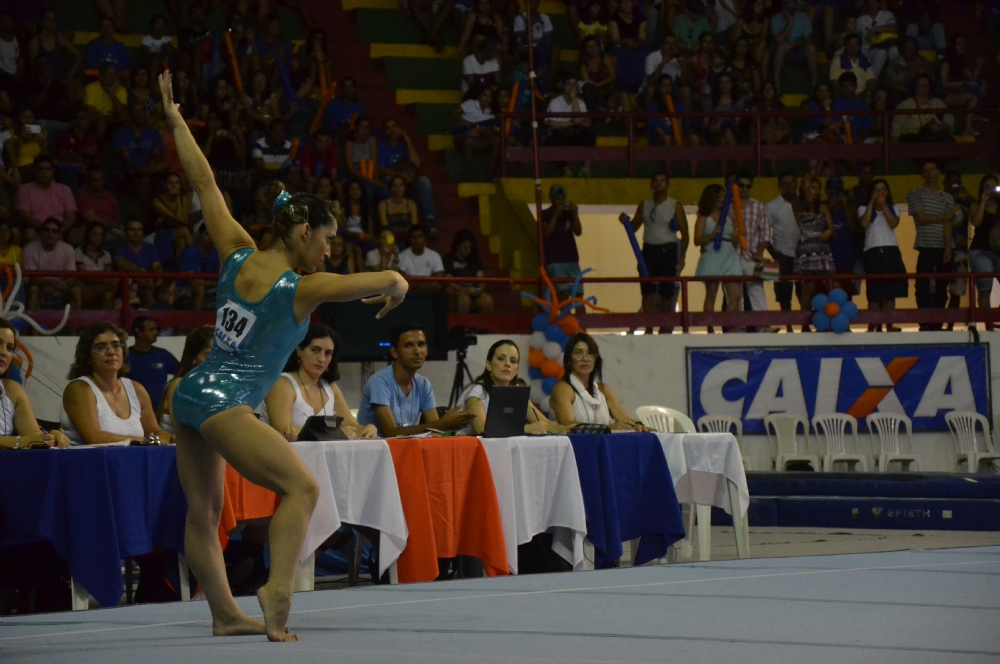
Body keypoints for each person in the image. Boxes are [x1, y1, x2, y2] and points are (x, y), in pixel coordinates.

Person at [160, 70, 408, 642]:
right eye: (326, 238)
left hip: (191, 392)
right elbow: (386, 275)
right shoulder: (300, 287)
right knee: (302, 489)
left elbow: (203, 183)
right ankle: (277, 587)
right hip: (227, 405)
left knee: (203, 513)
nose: (329, 250)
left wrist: (175, 120)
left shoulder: (235, 251)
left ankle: (225, 614)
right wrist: (395, 284)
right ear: (300, 231)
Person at [60, 322, 172, 445]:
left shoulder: (136, 389)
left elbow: (155, 432)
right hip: (90, 462)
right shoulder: (79, 388)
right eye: (100, 347)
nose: (111, 352)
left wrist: (172, 439)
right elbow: (94, 438)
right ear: (87, 357)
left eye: (116, 345)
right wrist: (147, 441)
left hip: (133, 461)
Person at [357, 322, 474, 437]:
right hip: (375, 451)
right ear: (394, 352)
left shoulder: (424, 384)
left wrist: (451, 425)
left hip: (405, 450)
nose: (417, 351)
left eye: (421, 344)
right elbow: (391, 432)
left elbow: (436, 430)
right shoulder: (379, 381)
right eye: (408, 345)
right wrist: (442, 424)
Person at [262, 324, 376, 441]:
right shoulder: (282, 384)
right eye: (315, 350)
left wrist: (367, 428)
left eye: (328, 353)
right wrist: (335, 433)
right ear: (299, 351)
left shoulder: (331, 387)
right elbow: (283, 431)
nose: (321, 359)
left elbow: (352, 427)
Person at [622, 172, 687, 331]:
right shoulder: (644, 204)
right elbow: (634, 227)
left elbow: (685, 234)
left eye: (662, 181)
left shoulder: (675, 205)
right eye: (656, 181)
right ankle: (649, 329)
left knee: (666, 293)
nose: (659, 184)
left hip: (668, 251)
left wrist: (682, 257)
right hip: (648, 251)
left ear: (668, 184)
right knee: (647, 292)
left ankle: (664, 329)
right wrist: (625, 220)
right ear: (651, 185)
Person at [458, 339, 563, 436]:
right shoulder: (477, 390)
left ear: (517, 369)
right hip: (467, 450)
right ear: (489, 364)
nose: (507, 364)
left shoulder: (516, 391)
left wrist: (571, 429)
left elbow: (546, 424)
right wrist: (526, 428)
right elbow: (482, 429)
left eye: (513, 361)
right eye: (501, 358)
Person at [550, 332, 644, 431]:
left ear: (596, 361)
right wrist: (608, 428)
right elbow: (567, 425)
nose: (585, 358)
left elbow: (626, 420)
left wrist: (637, 425)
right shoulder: (563, 389)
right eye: (578, 353)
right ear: (569, 360)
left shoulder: (604, 390)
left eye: (590, 353)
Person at [0, 317, 70, 449]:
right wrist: (21, 442)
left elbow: (33, 436)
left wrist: (49, 436)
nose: (3, 352)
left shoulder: (13, 390)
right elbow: (27, 440)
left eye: (10, 348)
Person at [907, 160, 954, 330]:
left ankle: (937, 322)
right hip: (925, 245)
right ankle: (924, 322)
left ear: (939, 172)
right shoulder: (915, 193)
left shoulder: (947, 197)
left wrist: (948, 247)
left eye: (933, 169)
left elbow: (948, 224)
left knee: (942, 286)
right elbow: (922, 218)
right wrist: (945, 216)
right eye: (926, 170)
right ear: (922, 174)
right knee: (922, 286)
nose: (930, 173)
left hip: (944, 247)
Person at [859, 178, 907, 332]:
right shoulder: (863, 208)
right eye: (877, 189)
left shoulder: (893, 207)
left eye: (883, 189)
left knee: (890, 292)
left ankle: (889, 325)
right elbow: (864, 223)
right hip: (872, 251)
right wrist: (872, 204)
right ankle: (873, 326)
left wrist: (883, 205)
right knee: (874, 292)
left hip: (890, 250)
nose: (880, 192)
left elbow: (893, 223)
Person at [694, 183, 742, 327]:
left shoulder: (729, 216)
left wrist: (738, 237)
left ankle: (726, 325)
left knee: (735, 296)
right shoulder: (704, 217)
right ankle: (710, 329)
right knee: (711, 295)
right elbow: (697, 240)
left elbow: (734, 238)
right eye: (719, 196)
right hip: (712, 254)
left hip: (728, 255)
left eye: (723, 196)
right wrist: (712, 236)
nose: (722, 198)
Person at [734, 172, 776, 331]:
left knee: (757, 289)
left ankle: (763, 325)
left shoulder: (759, 206)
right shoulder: (726, 206)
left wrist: (759, 253)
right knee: (734, 295)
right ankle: (738, 328)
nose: (744, 189)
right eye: (741, 185)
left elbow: (766, 233)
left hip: (752, 257)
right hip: (730, 258)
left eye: (748, 186)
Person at [378, 119, 436, 232]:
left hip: (407, 180)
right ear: (384, 132)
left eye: (394, 126)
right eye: (387, 128)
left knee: (424, 181)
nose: (391, 130)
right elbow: (380, 169)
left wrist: (406, 139)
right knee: (392, 181)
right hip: (392, 178)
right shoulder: (382, 145)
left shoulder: (403, 143)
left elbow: (417, 163)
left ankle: (429, 222)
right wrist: (400, 175)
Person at [793, 176, 836, 325]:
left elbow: (831, 227)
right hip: (807, 249)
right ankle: (805, 325)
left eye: (818, 188)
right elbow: (798, 211)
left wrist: (829, 231)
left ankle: (832, 319)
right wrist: (804, 187)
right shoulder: (798, 205)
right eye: (812, 187)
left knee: (832, 283)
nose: (815, 191)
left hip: (822, 248)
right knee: (809, 286)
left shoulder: (823, 207)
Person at [158, 325, 213, 433]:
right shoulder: (179, 386)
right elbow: (188, 432)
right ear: (194, 358)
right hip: (174, 448)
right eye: (208, 355)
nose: (215, 362)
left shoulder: (216, 386)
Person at [766, 172, 801, 325]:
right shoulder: (770, 206)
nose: (788, 186)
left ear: (796, 184)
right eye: (785, 183)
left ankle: (805, 326)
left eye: (791, 182)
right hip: (780, 255)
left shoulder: (805, 201)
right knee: (782, 294)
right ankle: (788, 328)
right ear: (779, 186)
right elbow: (764, 234)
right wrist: (774, 254)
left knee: (805, 293)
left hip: (804, 254)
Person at [14, 156, 76, 242]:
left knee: (81, 233)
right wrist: (46, 230)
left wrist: (58, 231)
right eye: (41, 169)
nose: (44, 172)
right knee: (29, 234)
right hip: (36, 229)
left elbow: (71, 216)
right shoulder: (24, 189)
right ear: (34, 171)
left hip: (61, 229)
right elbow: (24, 216)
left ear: (53, 171)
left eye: (48, 169)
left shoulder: (64, 189)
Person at [23, 218, 80, 311]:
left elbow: (71, 277)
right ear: (41, 232)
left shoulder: (68, 249)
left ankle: (75, 324)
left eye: (54, 231)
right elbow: (31, 279)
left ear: (59, 235)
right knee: (33, 289)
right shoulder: (29, 249)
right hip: (40, 290)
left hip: (61, 289)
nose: (50, 233)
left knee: (75, 291)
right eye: (47, 230)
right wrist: (53, 283)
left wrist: (62, 285)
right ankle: (32, 324)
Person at [127, 317, 179, 413]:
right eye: (151, 329)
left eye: (156, 329)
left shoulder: (163, 355)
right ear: (139, 333)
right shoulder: (125, 357)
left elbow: (181, 373)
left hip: (159, 412)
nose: (156, 333)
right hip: (132, 411)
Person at [545, 76, 595, 177]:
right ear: (563, 86)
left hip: (575, 134)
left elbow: (580, 121)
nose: (571, 87)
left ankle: (586, 168)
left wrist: (573, 99)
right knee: (550, 141)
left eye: (574, 85)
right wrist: (572, 123)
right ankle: (566, 170)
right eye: (569, 84)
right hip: (560, 134)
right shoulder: (555, 102)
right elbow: (553, 124)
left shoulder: (580, 103)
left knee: (589, 134)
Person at [542, 184, 583, 304]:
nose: (560, 201)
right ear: (551, 198)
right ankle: (566, 322)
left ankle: (581, 322)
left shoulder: (569, 213)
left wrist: (575, 214)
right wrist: (556, 214)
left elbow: (578, 231)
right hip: (555, 261)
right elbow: (546, 234)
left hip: (572, 260)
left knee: (579, 296)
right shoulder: (545, 214)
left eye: (562, 198)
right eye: (557, 198)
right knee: (563, 295)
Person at [968, 174, 1000, 328]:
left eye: (994, 186)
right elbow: (976, 222)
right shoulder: (975, 205)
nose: (991, 190)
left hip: (998, 250)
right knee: (985, 288)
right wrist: (983, 203)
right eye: (988, 186)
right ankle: (989, 326)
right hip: (980, 250)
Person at [769, 0, 817, 95]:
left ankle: (814, 86)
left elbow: (808, 39)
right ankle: (777, 87)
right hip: (783, 53)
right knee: (781, 47)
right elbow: (780, 40)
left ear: (796, 4)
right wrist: (790, 22)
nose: (787, 5)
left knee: (811, 48)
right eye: (785, 2)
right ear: (781, 4)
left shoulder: (803, 17)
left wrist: (794, 44)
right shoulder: (775, 18)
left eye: (790, 2)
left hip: (799, 51)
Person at [891, 73, 953, 143]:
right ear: (915, 87)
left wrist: (941, 127)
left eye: (926, 85)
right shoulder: (906, 104)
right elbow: (896, 127)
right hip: (913, 137)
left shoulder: (937, 103)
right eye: (920, 85)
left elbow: (949, 119)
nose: (923, 87)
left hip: (934, 136)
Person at [443, 229, 493, 313]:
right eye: (465, 247)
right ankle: (463, 325)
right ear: (458, 245)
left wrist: (478, 290)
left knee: (487, 301)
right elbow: (449, 281)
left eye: (470, 247)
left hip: (473, 291)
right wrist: (464, 290)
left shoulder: (475, 259)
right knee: (464, 300)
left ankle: (484, 325)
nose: (468, 250)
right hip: (458, 292)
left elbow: (481, 279)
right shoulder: (449, 258)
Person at [75, 222, 115, 310]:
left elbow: (108, 276)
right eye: (94, 233)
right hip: (84, 289)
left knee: (108, 293)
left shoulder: (106, 254)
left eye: (100, 234)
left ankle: (105, 321)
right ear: (88, 234)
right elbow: (85, 276)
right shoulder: (78, 252)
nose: (97, 237)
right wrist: (102, 277)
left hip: (100, 290)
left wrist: (97, 278)